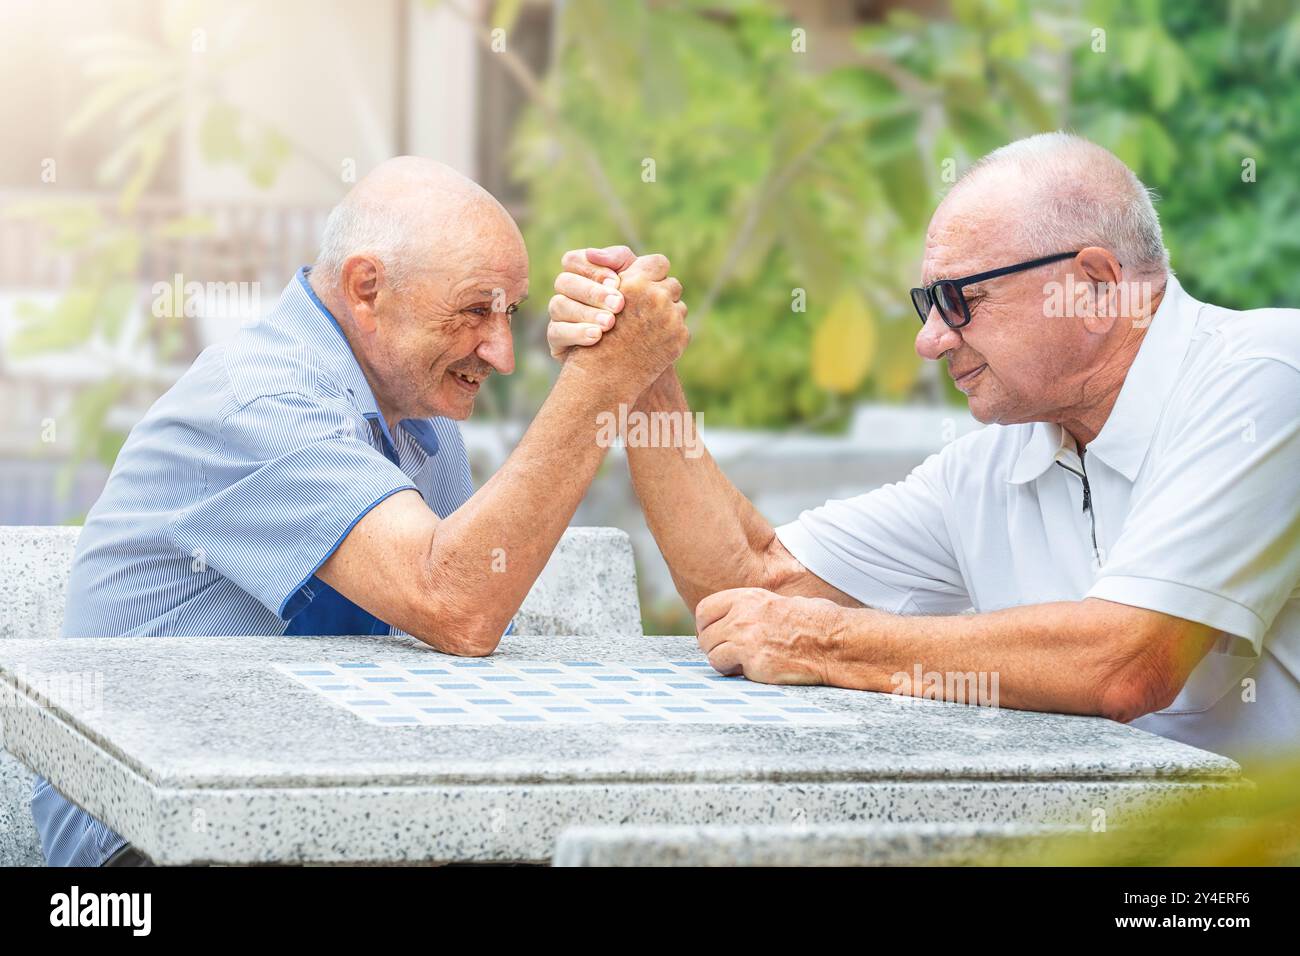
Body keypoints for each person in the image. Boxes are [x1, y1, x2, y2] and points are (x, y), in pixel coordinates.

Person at [546, 132, 1300, 766]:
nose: (929, 340)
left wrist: (829, 645)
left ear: (1096, 284)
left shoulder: (1264, 379)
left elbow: (1129, 663)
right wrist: (640, 368)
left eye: (958, 301)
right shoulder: (998, 456)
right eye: (927, 304)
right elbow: (750, 591)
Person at [34, 156, 688, 866]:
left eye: (511, 315)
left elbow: (451, 647)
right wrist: (602, 378)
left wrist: (633, 367)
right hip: (148, 841)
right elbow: (456, 605)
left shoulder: (424, 422)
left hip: (306, 809)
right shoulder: (261, 399)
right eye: (475, 311)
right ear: (367, 288)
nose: (501, 354)